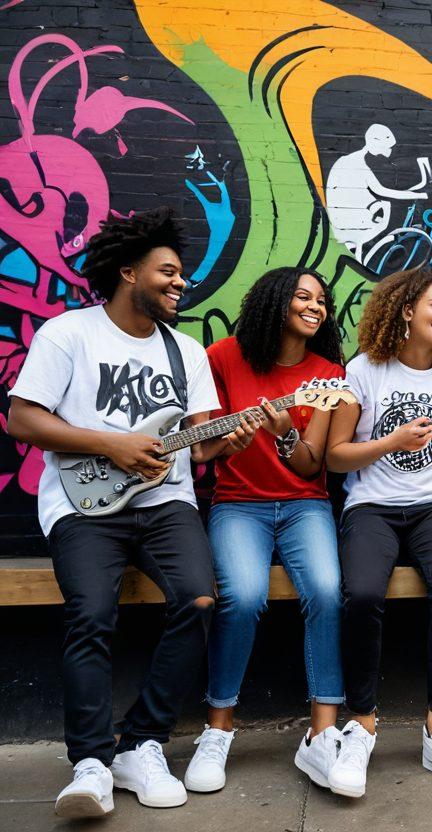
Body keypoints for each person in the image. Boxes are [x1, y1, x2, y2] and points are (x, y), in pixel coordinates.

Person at [8, 207, 256, 817]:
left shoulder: (186, 352)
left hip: (166, 501)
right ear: (127, 272)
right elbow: (23, 417)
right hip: (83, 503)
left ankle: (141, 743)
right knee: (91, 616)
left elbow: (201, 444)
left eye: (182, 275)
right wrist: (111, 442)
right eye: (167, 272)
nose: (180, 283)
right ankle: (91, 761)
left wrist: (241, 433)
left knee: (200, 600)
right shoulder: (70, 334)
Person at [182, 267, 347, 793]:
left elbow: (308, 464)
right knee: (244, 596)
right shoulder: (223, 357)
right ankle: (218, 729)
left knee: (325, 591)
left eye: (322, 299)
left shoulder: (327, 373)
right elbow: (197, 440)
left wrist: (283, 434)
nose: (315, 306)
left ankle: (322, 736)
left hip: (304, 504)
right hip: (237, 504)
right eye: (303, 296)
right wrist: (225, 442)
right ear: (274, 301)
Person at [325, 268, 432, 794]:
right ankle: (361, 724)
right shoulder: (365, 370)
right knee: (363, 594)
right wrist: (391, 442)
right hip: (372, 505)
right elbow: (337, 454)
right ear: (406, 310)